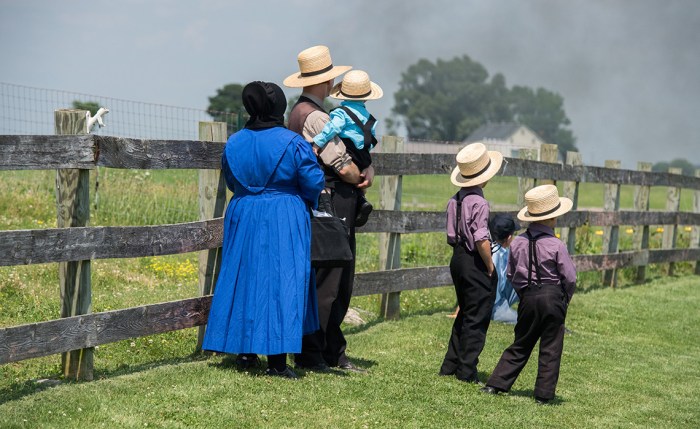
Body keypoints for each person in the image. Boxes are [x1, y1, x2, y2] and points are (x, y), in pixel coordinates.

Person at [202, 81, 325, 379]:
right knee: (282, 281)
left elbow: (231, 181)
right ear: (278, 107)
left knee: (245, 277)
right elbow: (313, 182)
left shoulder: (233, 143)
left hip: (243, 212)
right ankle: (277, 363)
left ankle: (245, 353)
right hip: (284, 212)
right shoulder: (292, 142)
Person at [285, 45, 373, 373]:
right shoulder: (317, 116)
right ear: (328, 79)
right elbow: (341, 163)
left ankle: (330, 351)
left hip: (323, 199)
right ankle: (315, 353)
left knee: (329, 276)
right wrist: (360, 174)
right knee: (332, 279)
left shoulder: (299, 112)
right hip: (333, 199)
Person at [481, 184, 577, 404]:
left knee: (521, 342)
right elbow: (569, 277)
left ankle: (496, 384)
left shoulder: (518, 243)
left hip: (528, 297)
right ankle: (543, 395)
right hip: (553, 297)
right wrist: (564, 299)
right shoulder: (557, 245)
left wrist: (524, 293)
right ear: (552, 219)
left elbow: (512, 273)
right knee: (551, 346)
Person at [439, 142, 503, 384]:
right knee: (477, 317)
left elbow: (450, 235)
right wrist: (489, 266)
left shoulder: (454, 200)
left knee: (465, 312)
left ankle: (450, 365)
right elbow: (481, 238)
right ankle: (467, 371)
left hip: (457, 258)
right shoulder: (479, 203)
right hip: (473, 259)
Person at [312, 69, 383, 227]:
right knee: (360, 178)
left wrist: (317, 143)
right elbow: (371, 138)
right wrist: (366, 160)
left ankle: (337, 205)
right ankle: (362, 199)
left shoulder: (341, 113)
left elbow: (332, 129)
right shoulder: (368, 116)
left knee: (331, 173)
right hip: (364, 154)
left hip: (349, 150)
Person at [489, 213, 520, 324]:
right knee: (521, 320)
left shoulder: (501, 250)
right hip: (494, 305)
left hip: (501, 295)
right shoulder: (495, 256)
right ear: (509, 238)